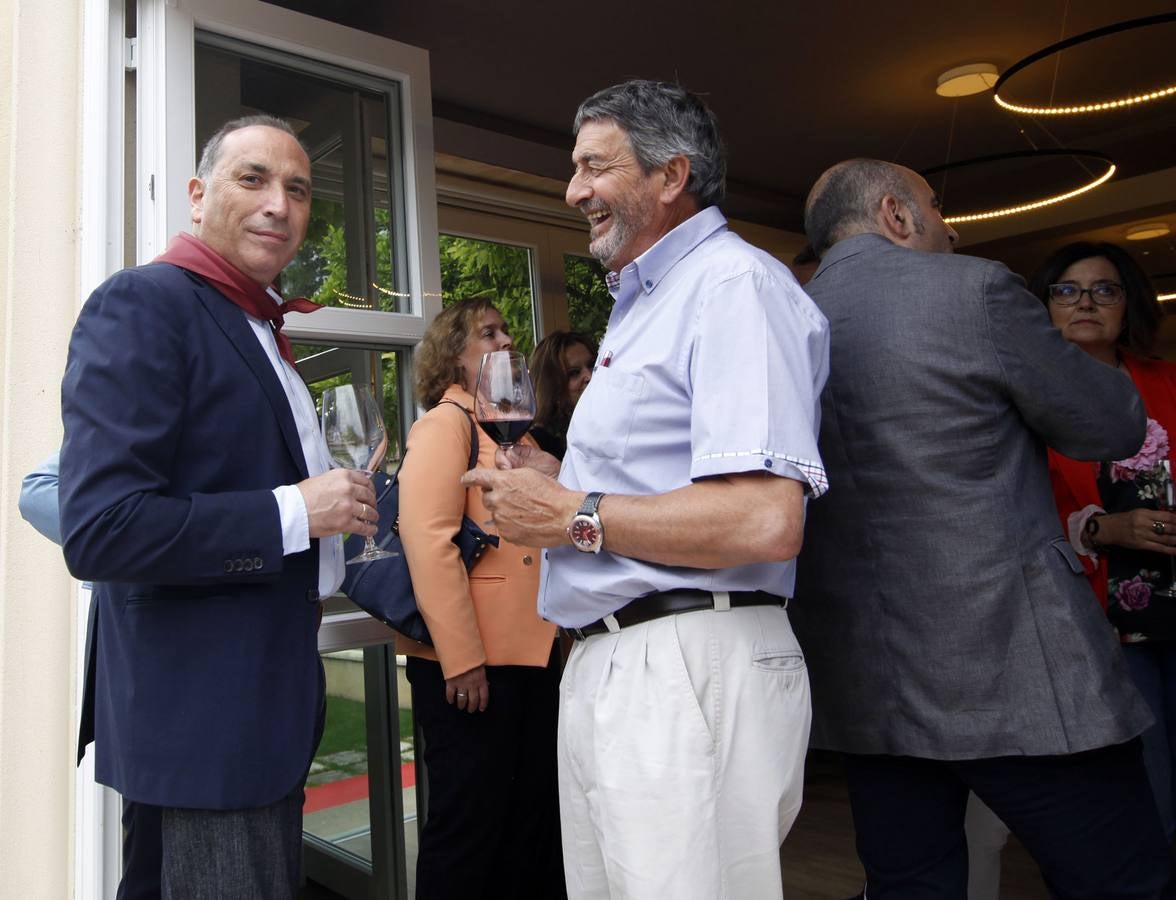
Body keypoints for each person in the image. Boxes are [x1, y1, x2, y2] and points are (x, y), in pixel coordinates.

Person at [462, 80, 829, 900]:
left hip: (686, 663)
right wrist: (564, 486)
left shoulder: (735, 286)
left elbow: (767, 518)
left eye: (595, 167)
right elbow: (664, 486)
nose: (573, 190)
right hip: (618, 662)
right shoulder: (643, 304)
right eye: (574, 169)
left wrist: (573, 517)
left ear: (672, 175)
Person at [789, 157, 1172, 899]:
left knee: (912, 887)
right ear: (897, 215)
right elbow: (1112, 424)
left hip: (865, 683)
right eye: (937, 208)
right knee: (1125, 883)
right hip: (1016, 667)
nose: (952, 227)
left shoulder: (782, 317)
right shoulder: (977, 290)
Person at [58, 114, 378, 899]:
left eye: (298, 190)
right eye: (254, 179)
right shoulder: (144, 302)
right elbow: (102, 530)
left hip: (250, 725)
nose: (280, 204)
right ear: (198, 196)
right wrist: (296, 511)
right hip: (206, 736)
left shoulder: (255, 324)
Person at [396, 296, 565, 899]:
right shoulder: (446, 423)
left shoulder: (510, 427)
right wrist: (461, 658)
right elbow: (427, 541)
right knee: (467, 832)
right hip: (474, 666)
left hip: (532, 655)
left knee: (529, 825)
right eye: (487, 334)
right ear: (453, 356)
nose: (504, 342)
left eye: (505, 331)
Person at [1031, 241, 1176, 837]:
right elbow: (1018, 513)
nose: (1085, 302)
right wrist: (1101, 527)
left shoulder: (1166, 382)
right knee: (1146, 788)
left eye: (1104, 289)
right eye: (1066, 290)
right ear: (1043, 308)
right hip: (1099, 622)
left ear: (1128, 305)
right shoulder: (1024, 399)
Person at [20, 451, 164, 900]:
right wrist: (141, 541)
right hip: (153, 676)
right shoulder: (135, 395)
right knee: (149, 867)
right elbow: (36, 491)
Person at [528, 330, 597, 459]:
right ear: (551, 386)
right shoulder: (537, 443)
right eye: (574, 373)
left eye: (592, 365)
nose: (589, 376)